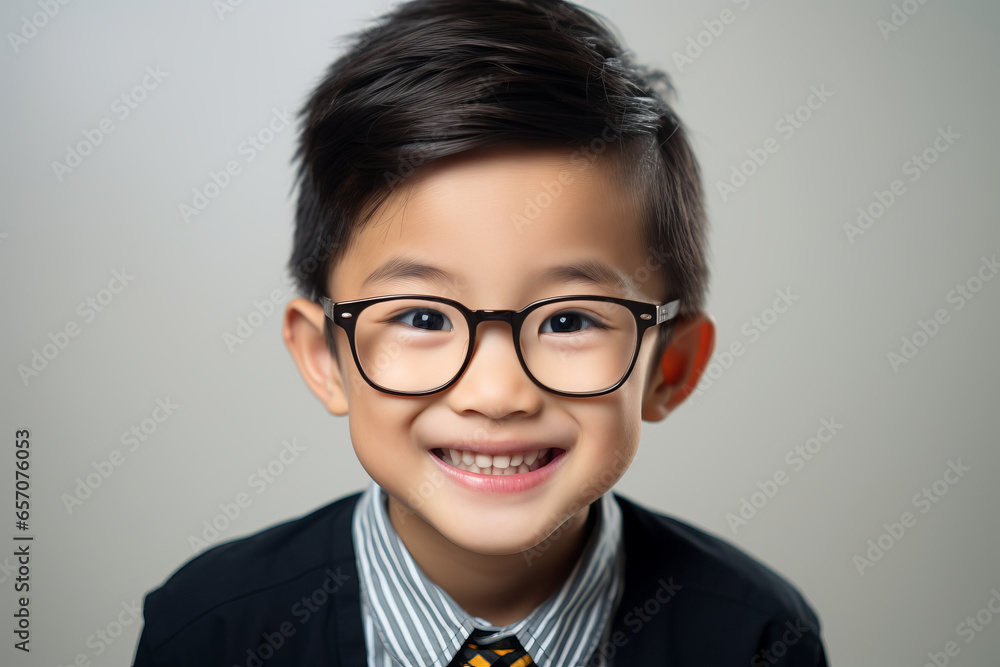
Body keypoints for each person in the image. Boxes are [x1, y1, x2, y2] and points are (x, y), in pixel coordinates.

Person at [133, 0, 828, 664]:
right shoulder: (210, 629)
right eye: (423, 316)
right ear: (326, 357)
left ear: (670, 366)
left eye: (569, 319)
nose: (496, 393)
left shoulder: (755, 638)